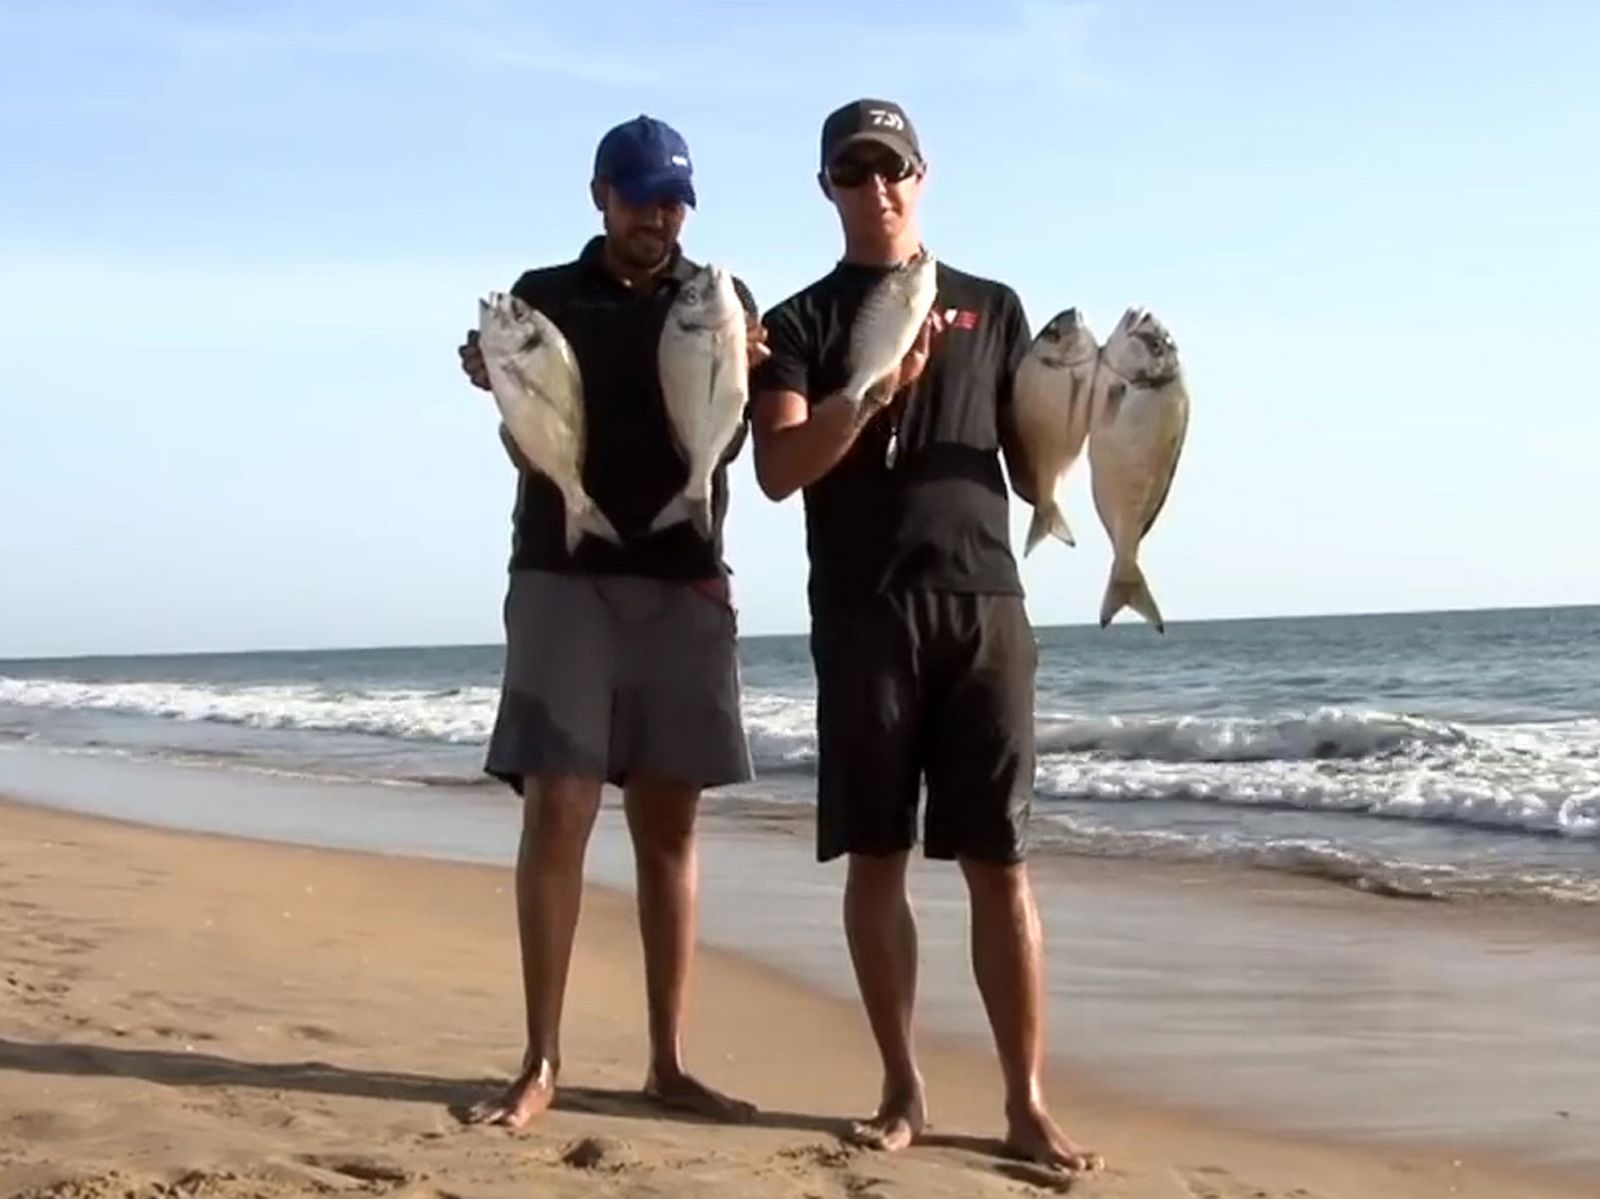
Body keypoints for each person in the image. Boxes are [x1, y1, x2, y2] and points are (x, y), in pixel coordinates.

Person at [748, 98, 1102, 1172]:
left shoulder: (993, 306)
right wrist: (864, 401)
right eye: (854, 173)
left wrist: (1111, 408)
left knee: (1000, 859)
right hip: (863, 612)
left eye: (892, 168)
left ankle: (1024, 1099)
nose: (877, 189)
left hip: (984, 605)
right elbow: (775, 471)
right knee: (877, 855)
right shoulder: (800, 323)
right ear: (827, 188)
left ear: (923, 174)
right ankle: (901, 1084)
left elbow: (1035, 439)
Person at [455, 114, 767, 1129]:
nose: (658, 215)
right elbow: (527, 451)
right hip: (562, 568)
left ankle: (667, 1062)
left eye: (674, 197)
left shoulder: (716, 298)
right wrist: (501, 387)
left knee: (670, 824)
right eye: (640, 196)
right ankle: (540, 1057)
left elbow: (732, 440)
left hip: (684, 575)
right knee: (559, 807)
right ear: (601, 196)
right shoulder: (544, 298)